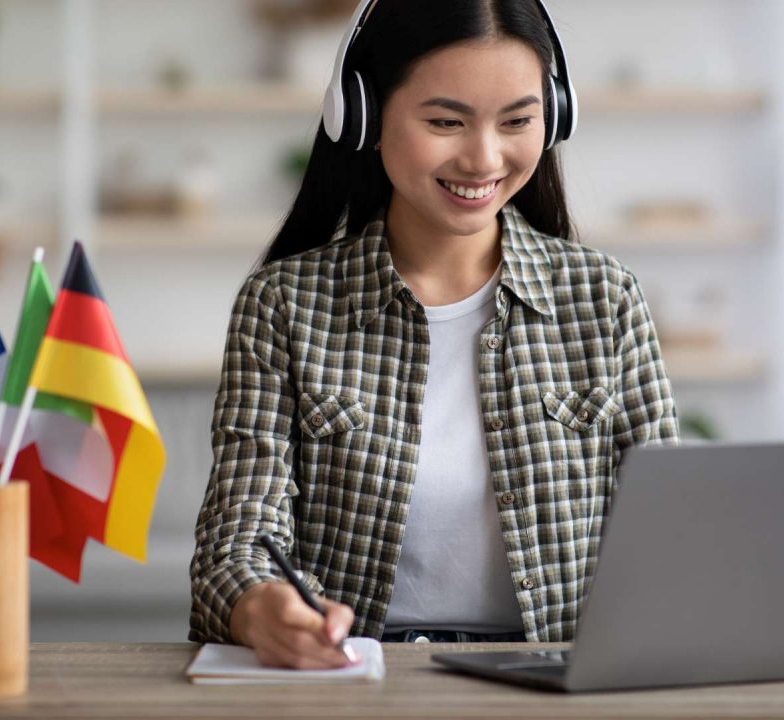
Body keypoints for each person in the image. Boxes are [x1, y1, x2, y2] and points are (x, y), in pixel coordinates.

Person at [189, 0, 679, 670]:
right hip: (358, 678)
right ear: (363, 117)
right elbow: (237, 538)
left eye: (517, 122)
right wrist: (259, 605)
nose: (483, 158)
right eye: (445, 121)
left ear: (554, 116)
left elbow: (672, 528)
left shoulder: (605, 298)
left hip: (557, 679)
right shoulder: (283, 305)